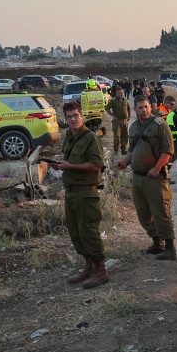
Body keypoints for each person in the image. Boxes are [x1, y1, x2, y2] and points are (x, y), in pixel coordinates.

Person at [55, 101, 108, 288]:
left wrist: (71, 167)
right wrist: (62, 165)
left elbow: (96, 165)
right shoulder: (70, 137)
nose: (72, 119)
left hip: (87, 193)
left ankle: (100, 271)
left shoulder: (91, 138)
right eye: (69, 117)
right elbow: (71, 162)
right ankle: (88, 267)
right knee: (76, 233)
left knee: (89, 232)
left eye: (75, 115)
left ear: (82, 116)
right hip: (72, 193)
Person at [117, 95, 177, 260]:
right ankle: (158, 243)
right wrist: (124, 162)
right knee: (143, 214)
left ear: (150, 107)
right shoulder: (134, 127)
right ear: (135, 109)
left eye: (146, 107)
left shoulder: (159, 125)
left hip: (155, 178)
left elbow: (167, 150)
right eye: (140, 107)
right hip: (138, 178)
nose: (143, 110)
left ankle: (170, 248)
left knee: (161, 212)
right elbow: (131, 150)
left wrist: (156, 168)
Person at [106, 85, 131, 155]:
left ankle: (123, 149)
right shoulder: (113, 101)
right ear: (116, 93)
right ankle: (116, 150)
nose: (122, 94)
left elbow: (129, 108)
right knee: (117, 136)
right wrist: (113, 116)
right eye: (120, 93)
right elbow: (107, 109)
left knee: (125, 136)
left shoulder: (125, 100)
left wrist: (129, 116)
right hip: (117, 122)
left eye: (122, 92)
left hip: (125, 121)